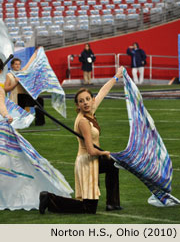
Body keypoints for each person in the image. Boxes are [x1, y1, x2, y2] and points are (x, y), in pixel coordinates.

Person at [39, 66, 124, 215]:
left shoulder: (91, 109)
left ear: (92, 100)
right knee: (87, 208)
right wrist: (105, 152)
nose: (85, 103)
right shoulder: (83, 121)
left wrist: (116, 77)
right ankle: (49, 199)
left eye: (87, 99)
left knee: (112, 164)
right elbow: (91, 150)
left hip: (94, 160)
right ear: (77, 105)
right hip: (87, 162)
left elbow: (103, 91)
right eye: (81, 101)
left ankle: (113, 203)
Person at [4, 52, 45, 126]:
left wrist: (35, 54)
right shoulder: (9, 75)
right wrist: (15, 83)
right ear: (12, 65)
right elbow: (6, 89)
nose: (18, 66)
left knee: (40, 100)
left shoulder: (22, 73)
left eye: (19, 64)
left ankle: (40, 122)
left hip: (24, 96)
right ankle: (20, 121)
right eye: (16, 64)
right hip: (16, 97)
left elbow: (29, 65)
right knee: (20, 107)